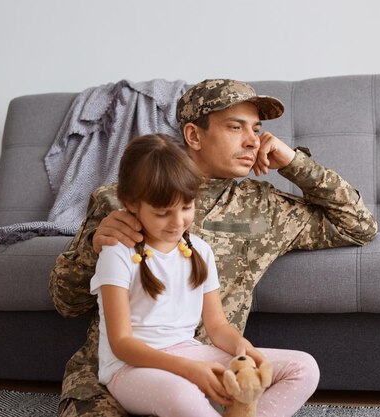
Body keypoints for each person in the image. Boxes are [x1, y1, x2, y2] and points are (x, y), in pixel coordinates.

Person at [49, 79, 378, 417]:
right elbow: (66, 303)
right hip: (112, 378)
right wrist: (93, 247)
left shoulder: (264, 208)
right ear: (194, 136)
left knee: (291, 372)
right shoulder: (119, 199)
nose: (253, 141)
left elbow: (358, 225)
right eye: (236, 128)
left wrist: (294, 162)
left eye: (257, 129)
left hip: (210, 379)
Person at [91, 133, 319, 417]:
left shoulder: (199, 249)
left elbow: (217, 325)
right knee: (182, 394)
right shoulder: (118, 253)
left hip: (189, 353)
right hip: (130, 368)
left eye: (186, 207)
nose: (177, 223)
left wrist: (242, 348)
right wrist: (190, 370)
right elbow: (122, 344)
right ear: (131, 203)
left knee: (305, 367)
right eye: (163, 213)